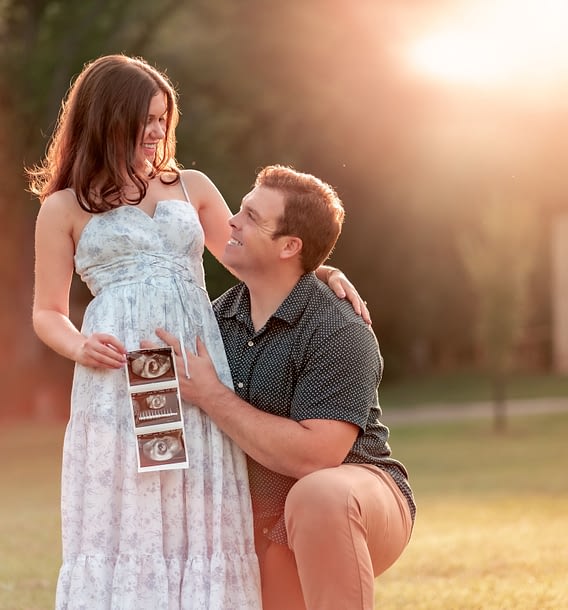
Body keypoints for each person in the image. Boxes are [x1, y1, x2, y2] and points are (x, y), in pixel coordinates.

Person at [28, 55, 367, 610]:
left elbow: (251, 254)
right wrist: (78, 345)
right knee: (138, 506)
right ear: (106, 119)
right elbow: (46, 311)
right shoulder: (64, 208)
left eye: (163, 117)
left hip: (193, 367)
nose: (157, 130)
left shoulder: (190, 186)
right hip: (122, 373)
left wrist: (322, 269)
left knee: (198, 504)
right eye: (145, 118)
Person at [155, 165, 416, 610]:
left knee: (320, 496)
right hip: (260, 524)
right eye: (240, 209)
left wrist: (213, 396)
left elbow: (317, 458)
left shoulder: (338, 327)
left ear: (290, 246)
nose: (231, 221)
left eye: (252, 217)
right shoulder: (211, 323)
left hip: (355, 497)